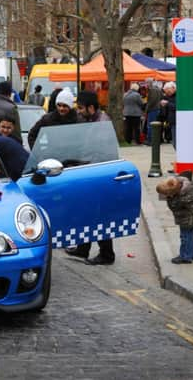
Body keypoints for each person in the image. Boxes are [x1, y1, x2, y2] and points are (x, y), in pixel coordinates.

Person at [65, 91, 115, 265]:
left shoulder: (101, 124)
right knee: (86, 213)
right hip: (90, 172)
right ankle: (83, 248)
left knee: (99, 215)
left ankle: (107, 254)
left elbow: (96, 153)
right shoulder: (91, 120)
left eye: (80, 108)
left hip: (98, 175)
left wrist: (79, 164)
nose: (78, 111)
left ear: (91, 108)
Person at [156, 172, 193, 264]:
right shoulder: (180, 191)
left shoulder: (185, 196)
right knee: (190, 235)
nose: (166, 196)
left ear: (173, 192)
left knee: (185, 237)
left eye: (166, 194)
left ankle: (185, 256)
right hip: (187, 217)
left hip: (188, 219)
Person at [144, 78, 162, 145]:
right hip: (156, 109)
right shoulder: (157, 89)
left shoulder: (152, 90)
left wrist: (146, 109)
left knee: (150, 126)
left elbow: (151, 101)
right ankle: (155, 140)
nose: (145, 84)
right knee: (154, 126)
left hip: (152, 110)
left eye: (146, 83)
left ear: (149, 83)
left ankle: (151, 140)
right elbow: (161, 97)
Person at [160, 81, 177, 148]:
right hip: (171, 122)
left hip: (177, 122)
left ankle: (181, 157)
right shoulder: (168, 96)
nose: (167, 93)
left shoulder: (178, 96)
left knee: (176, 142)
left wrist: (167, 103)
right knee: (174, 142)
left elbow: (177, 107)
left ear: (173, 88)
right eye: (166, 92)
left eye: (168, 91)